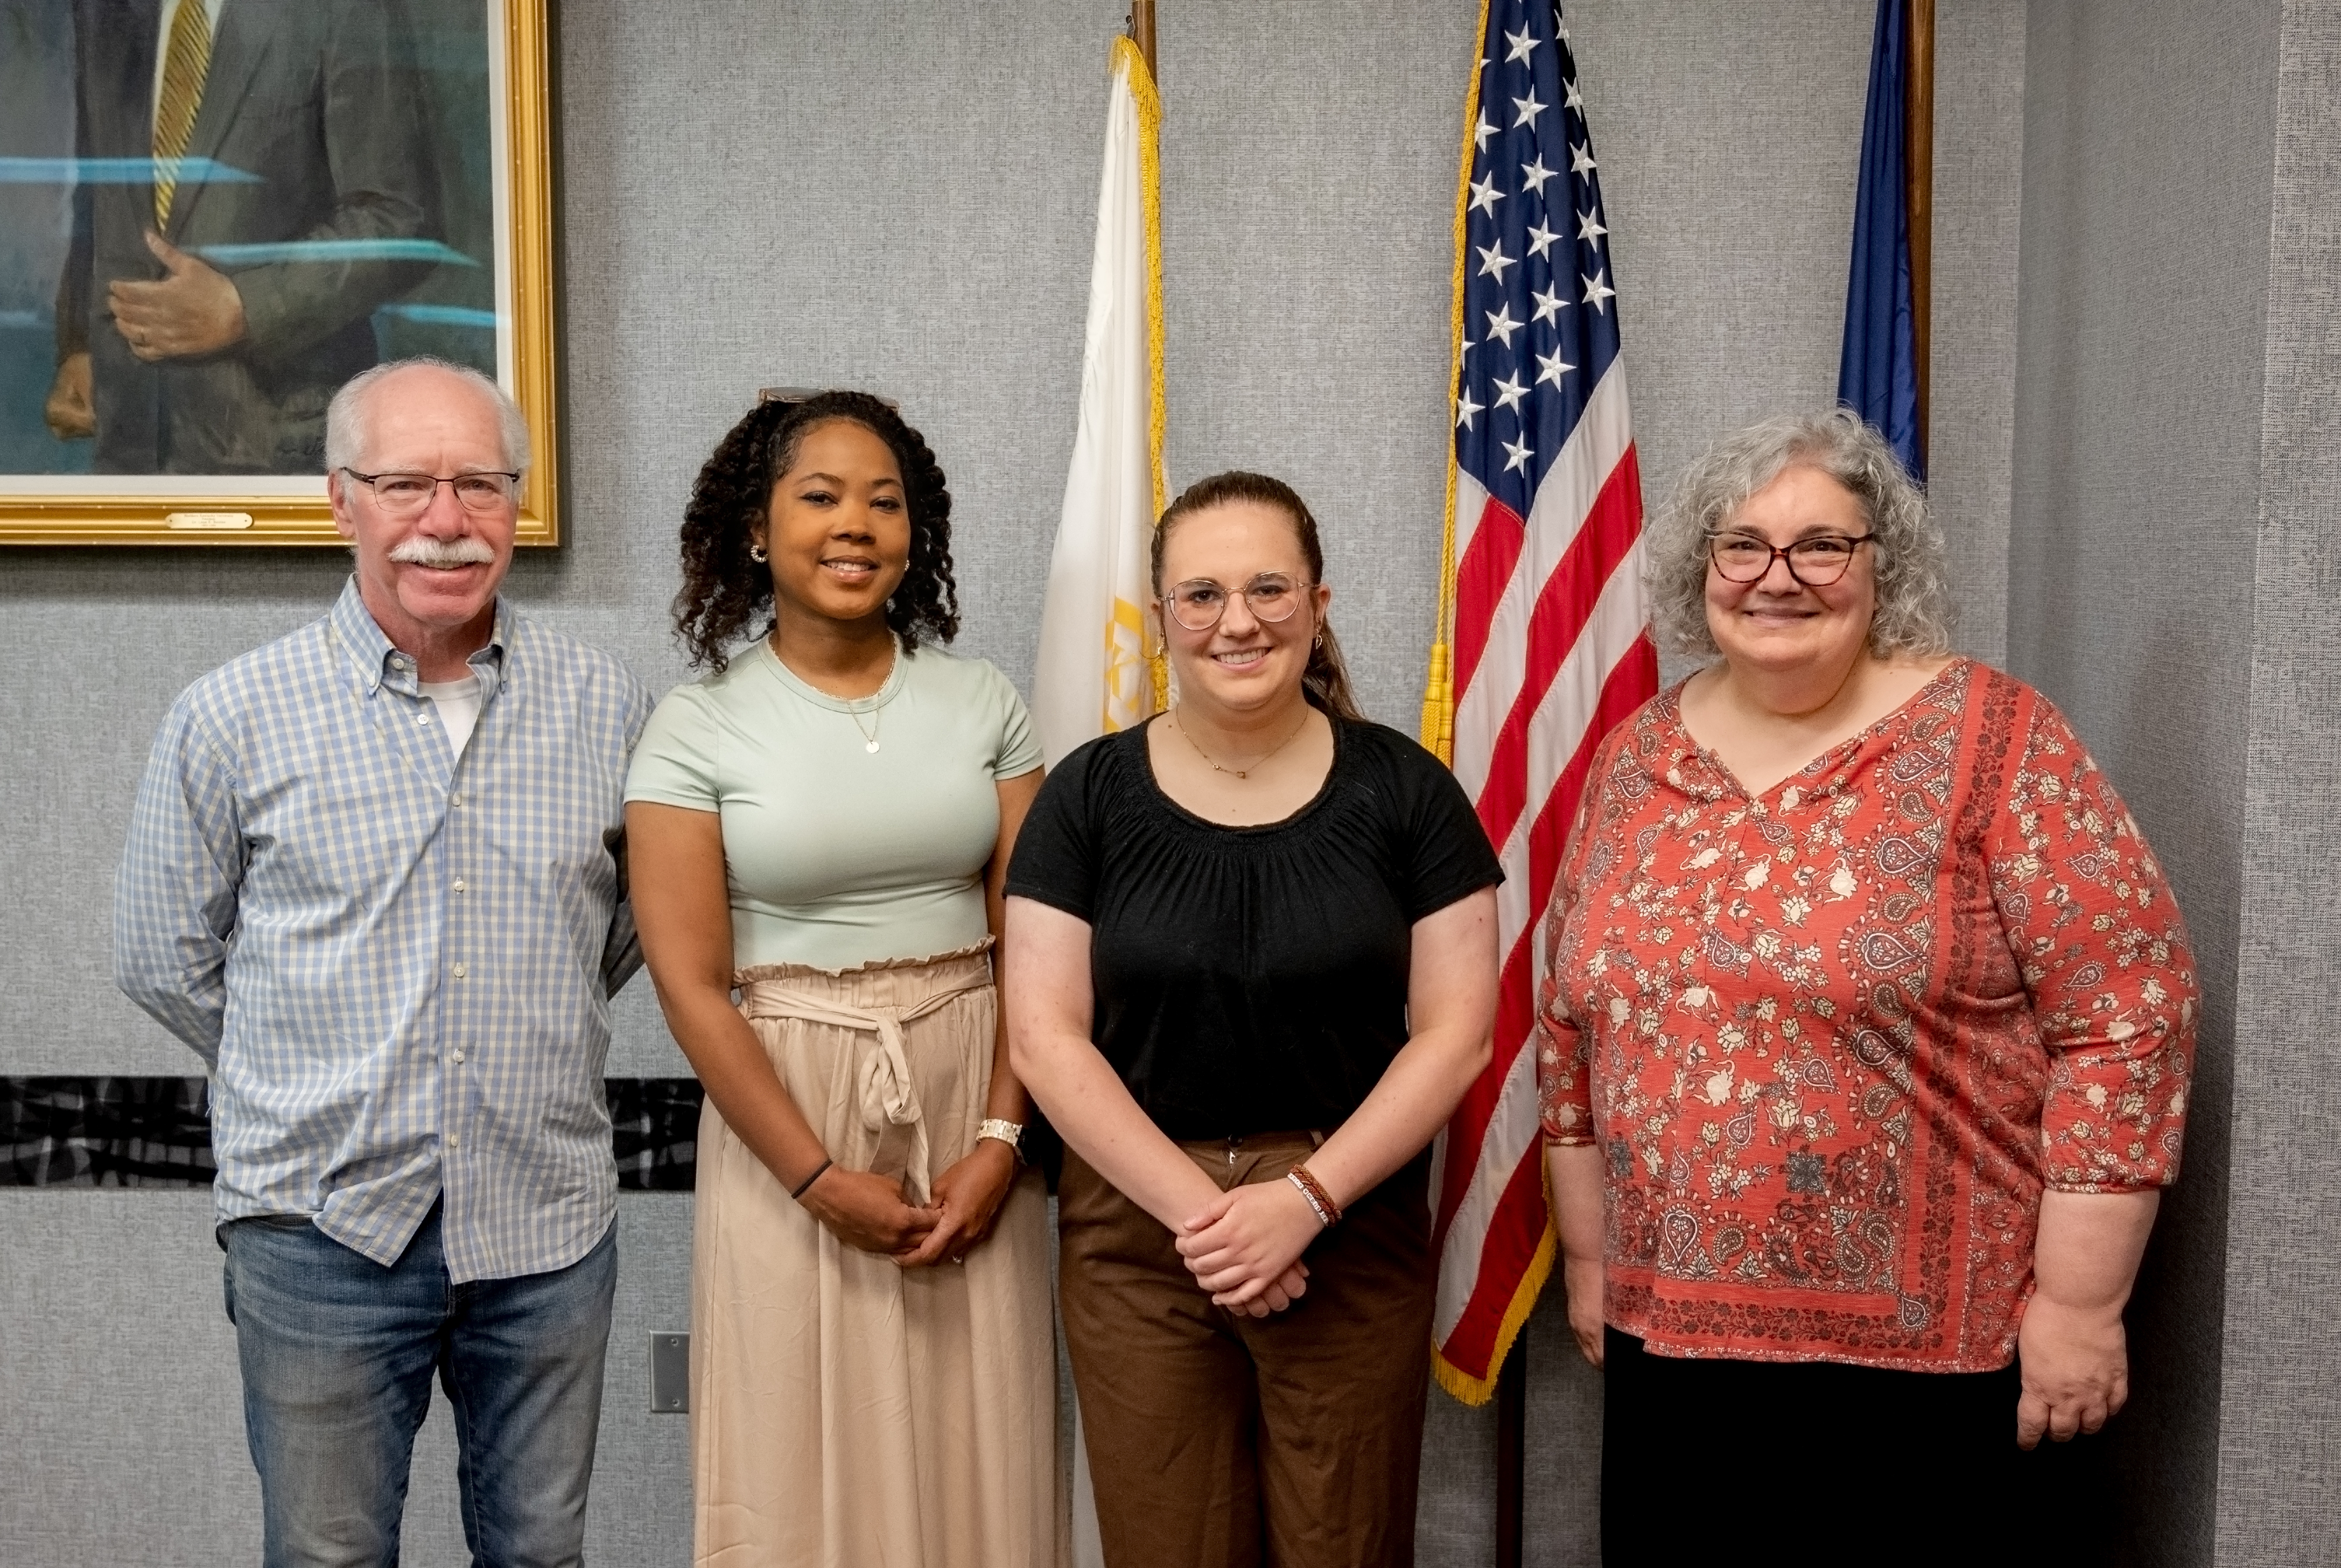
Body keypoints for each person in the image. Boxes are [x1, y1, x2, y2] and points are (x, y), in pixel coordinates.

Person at [1535, 409, 2198, 1563]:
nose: (1775, 578)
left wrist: (2081, 1307)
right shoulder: (1635, 756)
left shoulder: (1995, 738)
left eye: (1820, 547)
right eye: (1741, 546)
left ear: (1879, 564)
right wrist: (1593, 1266)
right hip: (1673, 1355)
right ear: (1703, 570)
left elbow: (2126, 1012)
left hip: (1935, 1371)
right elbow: (1569, 1023)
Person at [112, 358, 650, 1564]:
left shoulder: (606, 707)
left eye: (479, 484)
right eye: (405, 483)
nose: (445, 520)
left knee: (541, 1555)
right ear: (338, 500)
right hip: (319, 1233)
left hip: (545, 1228)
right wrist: (312, 1067)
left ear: (515, 503)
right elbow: (162, 955)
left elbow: (620, 933)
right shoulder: (231, 715)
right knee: (328, 1558)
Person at [1005, 471, 1502, 1568]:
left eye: (1269, 588)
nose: (1238, 620)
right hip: (1139, 1232)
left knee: (1345, 1548)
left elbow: (1457, 1033)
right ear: (1162, 617)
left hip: (1347, 1228)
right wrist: (1211, 1218)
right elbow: (1044, 1037)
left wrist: (1300, 1203)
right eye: (1202, 594)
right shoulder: (1083, 798)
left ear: (1318, 605)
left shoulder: (1408, 794)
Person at [623, 391, 1059, 1568]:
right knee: (799, 1454)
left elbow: (1034, 942)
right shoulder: (693, 727)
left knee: (985, 1446)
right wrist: (813, 1175)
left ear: (916, 533)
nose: (854, 524)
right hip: (787, 1110)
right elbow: (690, 987)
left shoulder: (985, 702)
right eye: (819, 496)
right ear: (757, 531)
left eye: (884, 500)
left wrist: (1000, 1141)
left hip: (977, 1099)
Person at [47, 0, 441, 471]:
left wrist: (246, 307)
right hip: (126, 447)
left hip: (279, 449)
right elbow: (99, 193)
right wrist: (80, 344)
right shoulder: (102, 10)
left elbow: (399, 214)